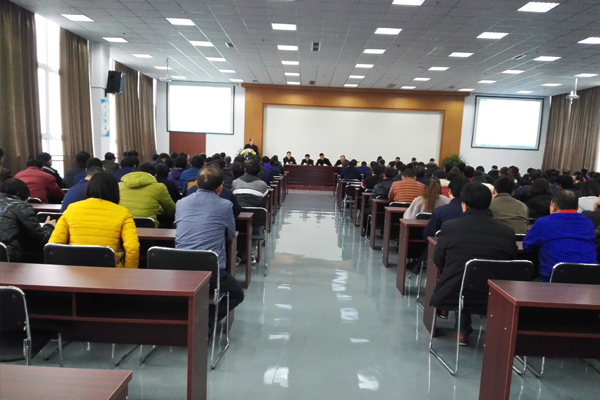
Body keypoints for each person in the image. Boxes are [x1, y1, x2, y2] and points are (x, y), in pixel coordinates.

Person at [431, 182, 518, 345]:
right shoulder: (507, 231)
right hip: (495, 294)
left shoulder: (450, 227)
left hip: (454, 293)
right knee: (473, 277)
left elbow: (438, 261)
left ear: (464, 205)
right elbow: (511, 263)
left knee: (462, 277)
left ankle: (462, 331)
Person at [175, 165, 244, 325]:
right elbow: (231, 236)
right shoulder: (225, 205)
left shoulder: (181, 203)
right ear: (220, 187)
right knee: (237, 294)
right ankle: (207, 320)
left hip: (179, 268)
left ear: (196, 184)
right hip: (211, 273)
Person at [49, 171, 139, 268]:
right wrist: (128, 272)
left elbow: (54, 245)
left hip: (75, 271)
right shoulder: (123, 213)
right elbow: (132, 248)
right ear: (115, 191)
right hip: (110, 271)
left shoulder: (71, 209)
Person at [524, 190, 596, 281]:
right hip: (590, 279)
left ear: (553, 206)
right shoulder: (588, 223)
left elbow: (527, 246)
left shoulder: (543, 223)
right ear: (577, 207)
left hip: (554, 281)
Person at [0, 178, 56, 262]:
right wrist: (49, 226)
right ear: (19, 193)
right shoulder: (21, 206)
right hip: (10, 258)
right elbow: (42, 240)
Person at [118, 163, 176, 227]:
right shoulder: (159, 187)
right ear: (155, 176)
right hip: (148, 228)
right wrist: (158, 207)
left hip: (123, 226)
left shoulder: (119, 185)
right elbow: (171, 210)